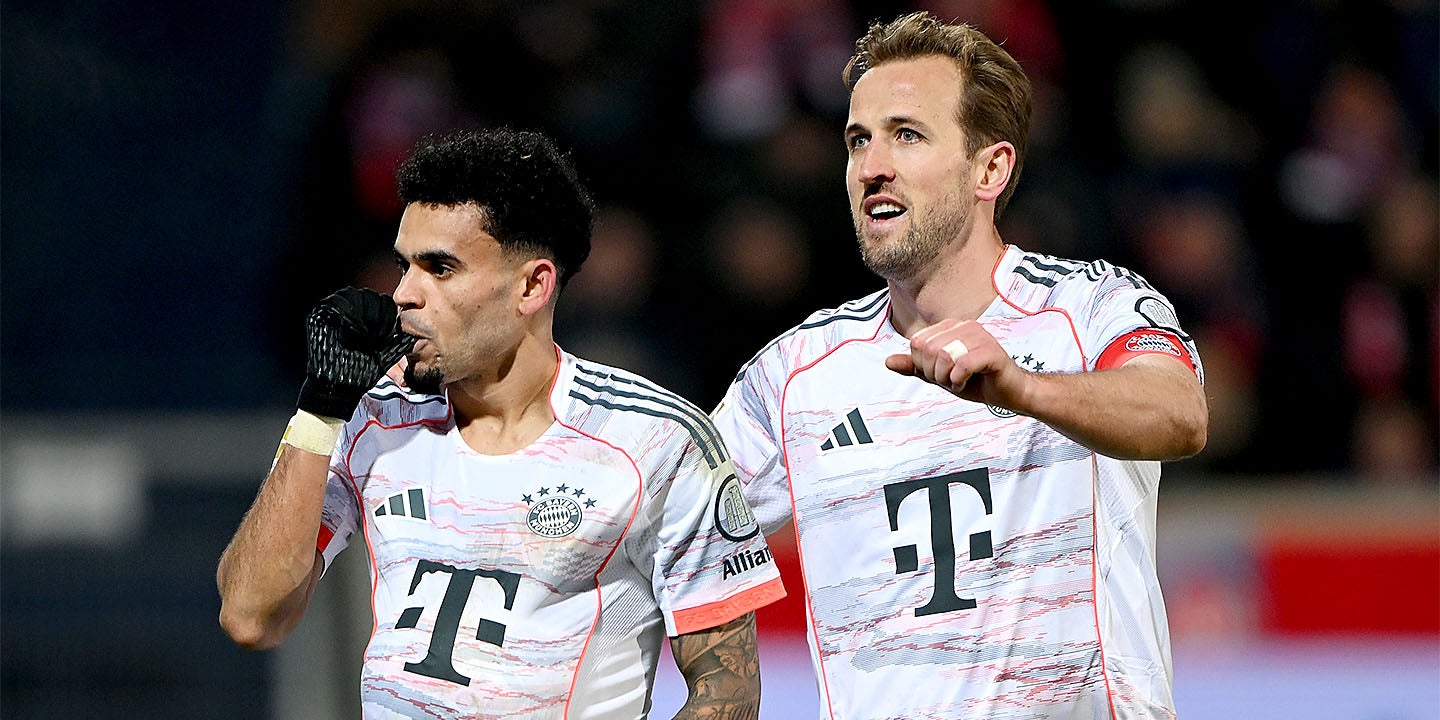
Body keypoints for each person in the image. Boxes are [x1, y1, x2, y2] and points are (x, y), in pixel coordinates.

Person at [711, 12, 1208, 720]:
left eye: (907, 135)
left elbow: (1179, 413)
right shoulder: (794, 374)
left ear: (990, 169)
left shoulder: (1091, 308)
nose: (872, 166)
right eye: (858, 140)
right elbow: (668, 538)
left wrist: (1024, 389)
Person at [218, 127, 785, 719]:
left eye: (440, 268)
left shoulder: (655, 442)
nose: (404, 294)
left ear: (532, 286)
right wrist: (319, 409)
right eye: (404, 265)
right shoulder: (373, 419)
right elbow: (252, 616)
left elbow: (728, 691)